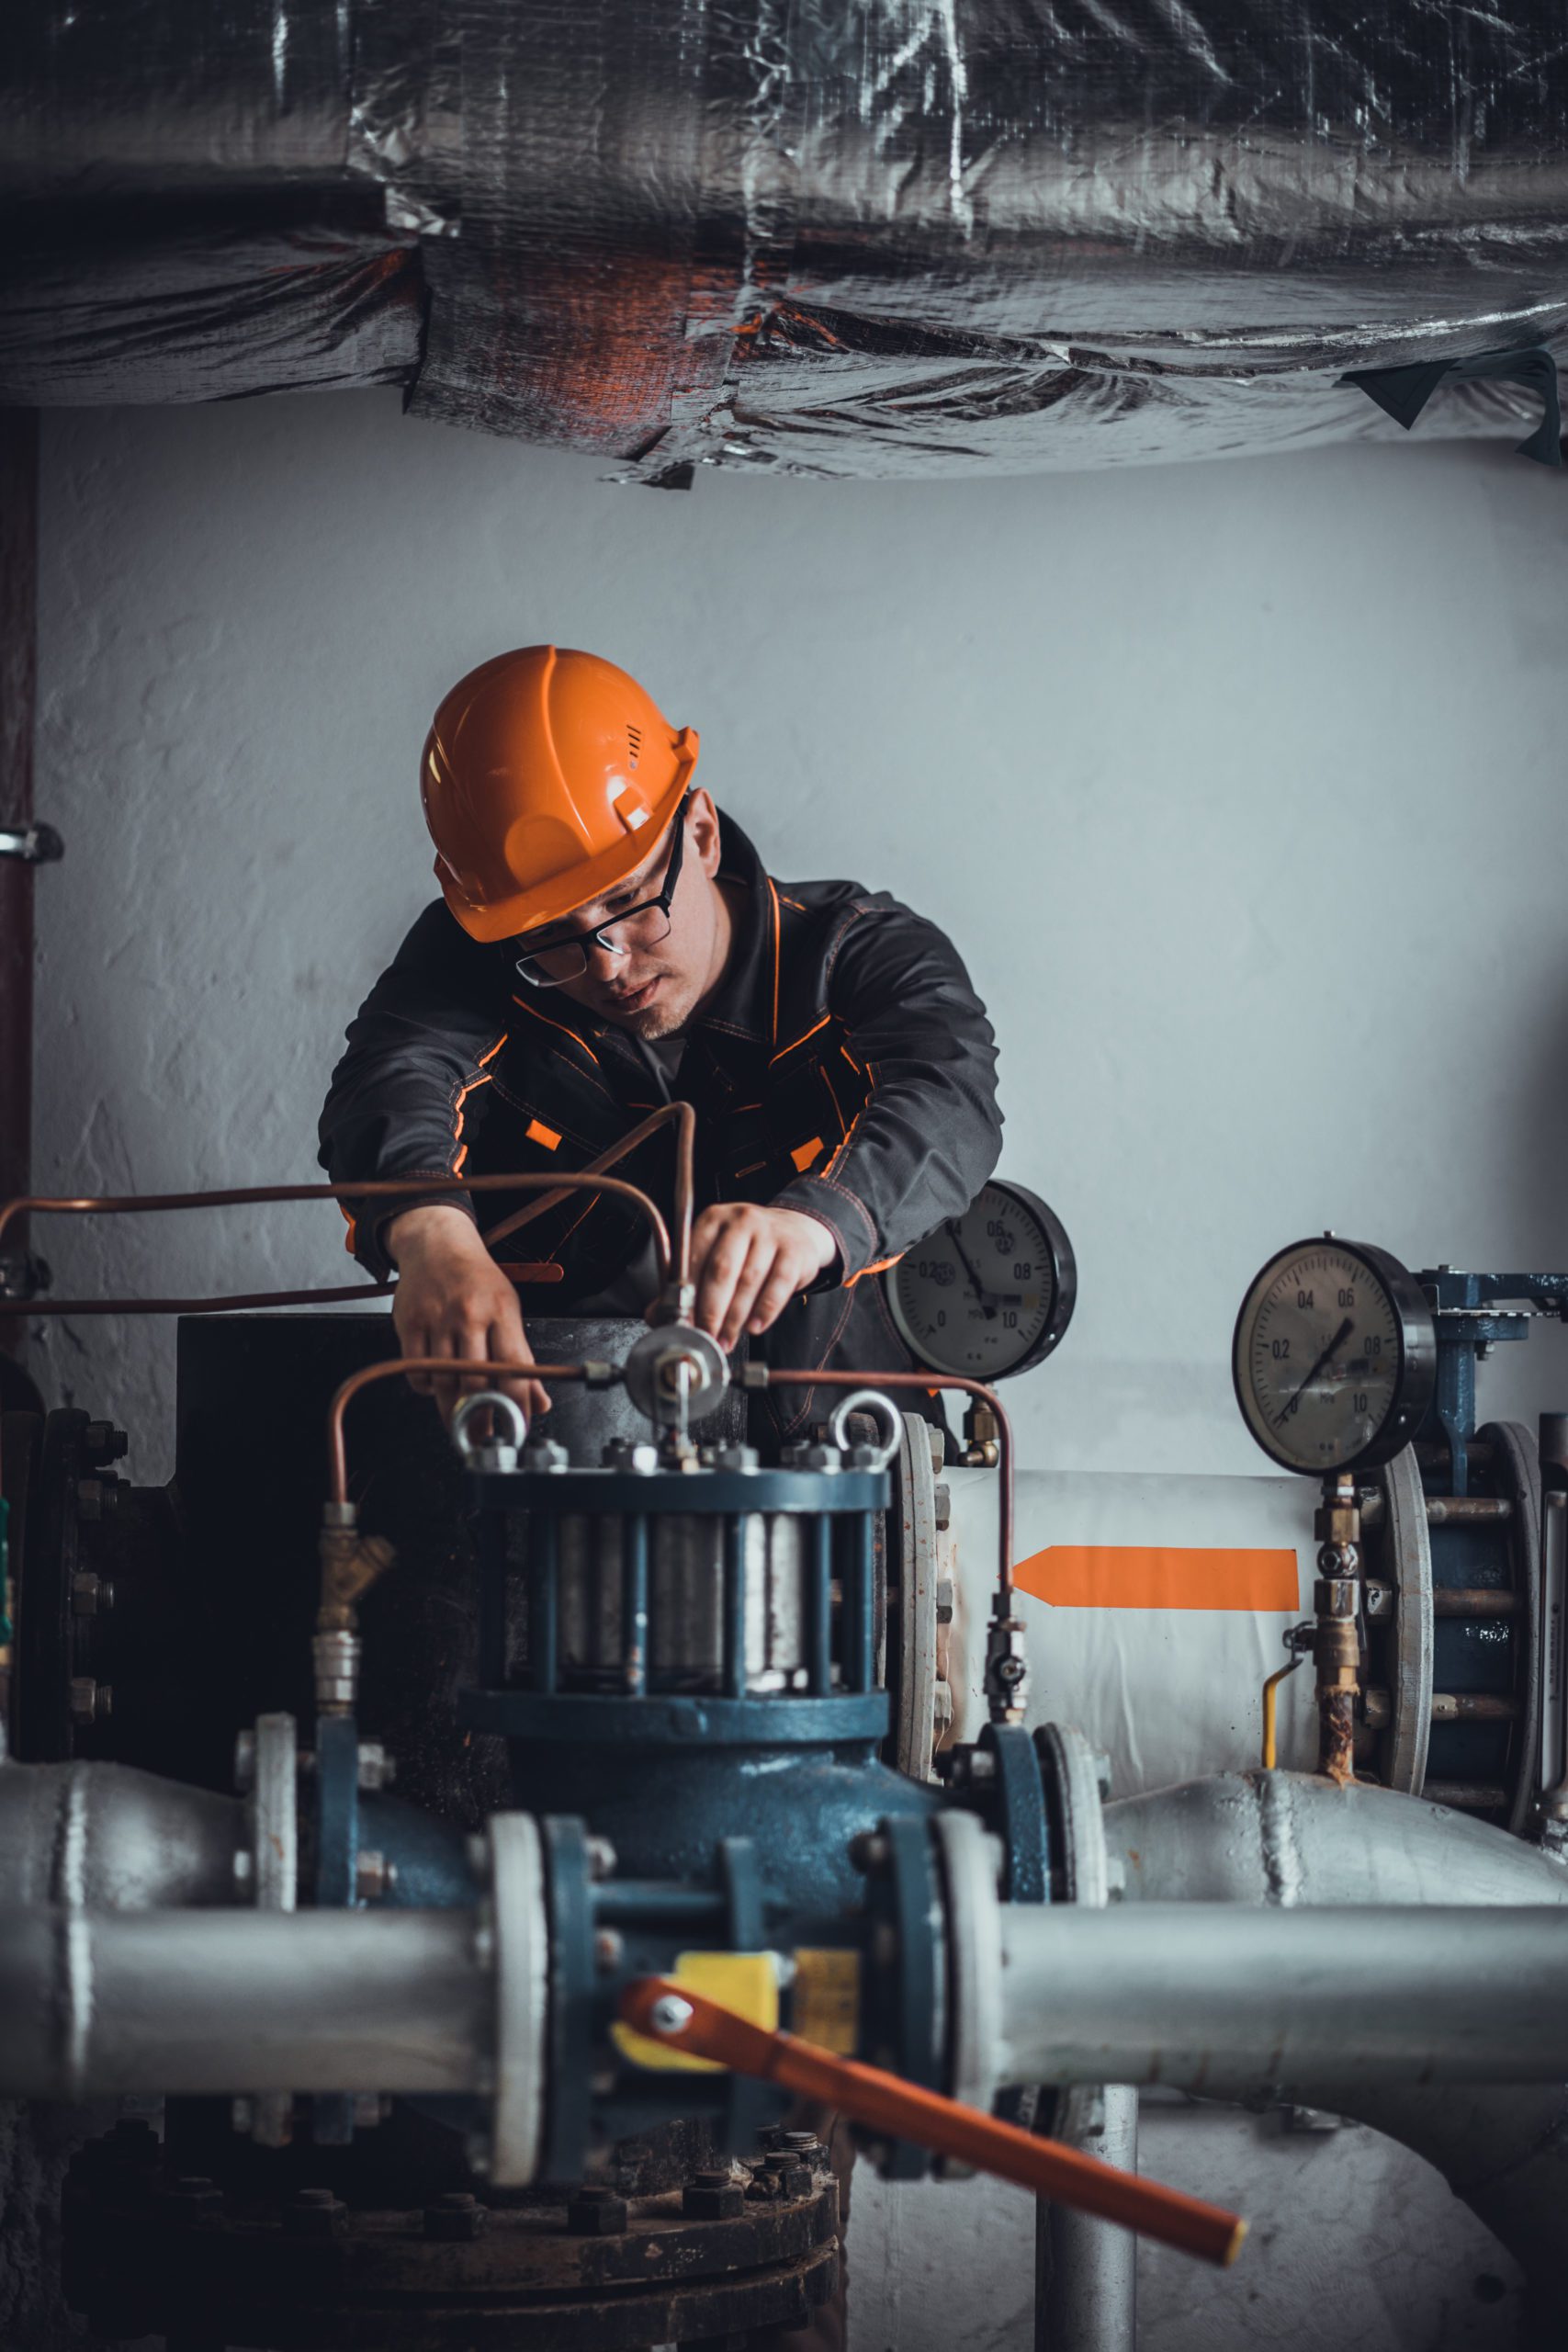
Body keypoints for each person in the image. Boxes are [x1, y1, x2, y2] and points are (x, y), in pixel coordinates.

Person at [319, 644, 1003, 1450]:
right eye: (554, 939)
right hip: (555, 1472)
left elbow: (947, 1096)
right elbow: (392, 1075)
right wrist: (429, 1233)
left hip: (847, 1469)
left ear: (702, 834)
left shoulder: (861, 954)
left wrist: (819, 1222)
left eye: (628, 902)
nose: (608, 966)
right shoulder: (476, 958)